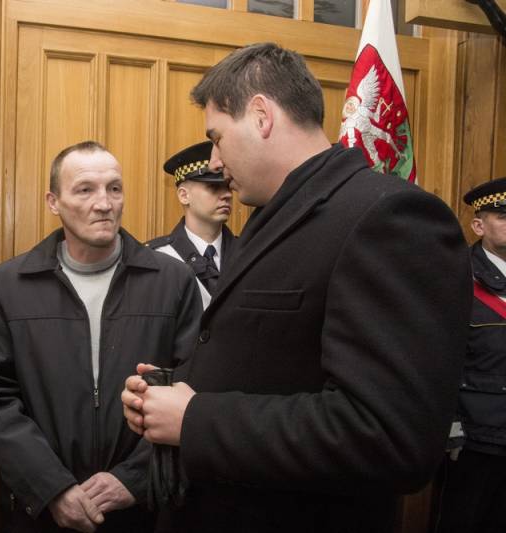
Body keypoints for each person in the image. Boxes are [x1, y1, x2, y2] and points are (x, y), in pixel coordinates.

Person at [121, 42, 471, 532]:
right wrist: (176, 385)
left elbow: (389, 437)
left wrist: (195, 419)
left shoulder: (389, 218)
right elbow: (276, 358)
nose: (216, 161)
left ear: (261, 115)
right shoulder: (273, 214)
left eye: (217, 138)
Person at [0, 141, 202, 533]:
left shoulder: (173, 281)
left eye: (114, 188)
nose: (104, 203)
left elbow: (196, 386)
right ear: (53, 202)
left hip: (143, 512)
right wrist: (51, 487)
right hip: (42, 514)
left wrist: (133, 480)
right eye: (85, 189)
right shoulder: (8, 285)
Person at [434, 177, 506, 533]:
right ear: (479, 226)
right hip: (474, 439)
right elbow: (437, 359)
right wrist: (448, 427)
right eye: (503, 217)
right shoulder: (456, 275)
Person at [147, 141, 235, 308]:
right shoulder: (157, 257)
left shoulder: (248, 251)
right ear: (184, 196)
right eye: (214, 187)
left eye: (228, 187)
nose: (227, 195)